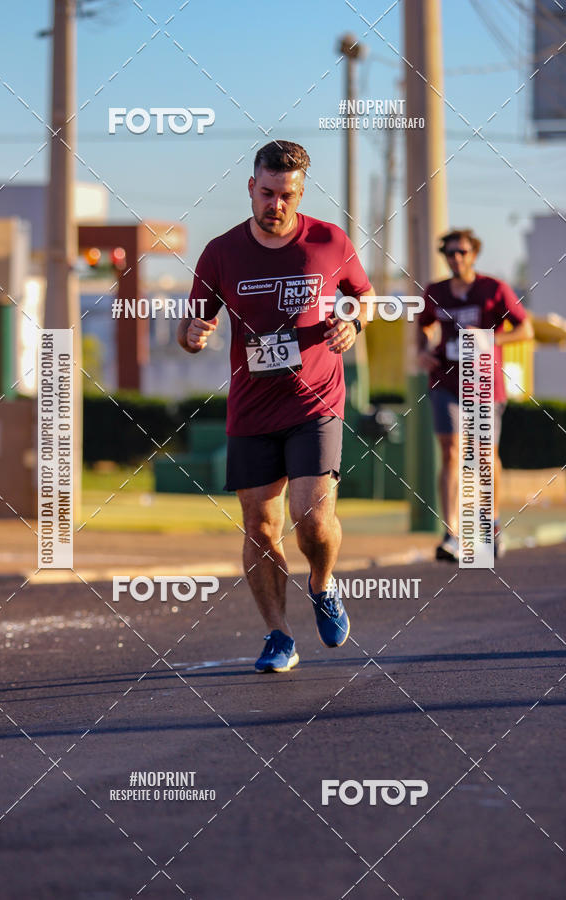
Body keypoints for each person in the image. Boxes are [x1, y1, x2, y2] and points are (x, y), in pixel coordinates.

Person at [177, 140, 375, 672]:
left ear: (301, 193)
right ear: (251, 187)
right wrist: (191, 334)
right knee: (261, 528)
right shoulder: (221, 252)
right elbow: (192, 323)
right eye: (267, 193)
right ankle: (279, 635)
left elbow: (364, 296)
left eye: (287, 195)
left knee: (311, 517)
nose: (276, 204)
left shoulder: (329, 241)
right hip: (252, 410)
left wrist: (353, 322)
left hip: (316, 403)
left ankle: (323, 584)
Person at [417, 228, 534, 562]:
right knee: (451, 453)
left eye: (462, 252)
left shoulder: (493, 289)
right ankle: (451, 534)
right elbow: (423, 323)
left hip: (484, 383)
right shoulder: (435, 291)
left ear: (474, 254)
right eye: (450, 252)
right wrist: (422, 350)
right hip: (445, 381)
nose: (456, 258)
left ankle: (491, 524)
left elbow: (525, 329)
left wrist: (489, 339)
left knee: (483, 456)